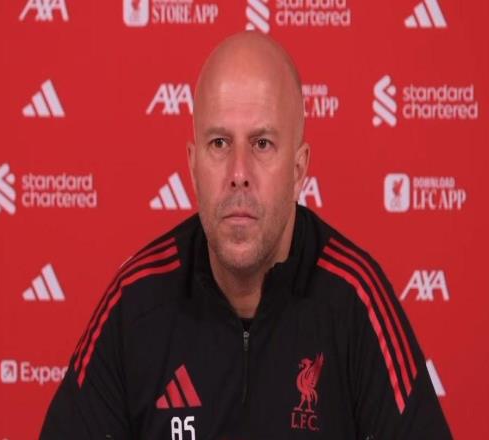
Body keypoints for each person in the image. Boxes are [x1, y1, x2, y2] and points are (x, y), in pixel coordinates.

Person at [40, 32, 452, 439]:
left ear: (299, 169)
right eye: (219, 143)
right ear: (193, 167)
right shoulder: (136, 302)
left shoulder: (356, 300)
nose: (239, 173)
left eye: (262, 144)